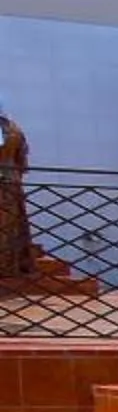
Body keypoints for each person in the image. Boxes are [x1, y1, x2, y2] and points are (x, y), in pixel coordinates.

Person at [0, 103, 31, 282]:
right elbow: (22, 161)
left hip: (4, 183)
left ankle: (5, 267)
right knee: (11, 227)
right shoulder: (14, 127)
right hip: (12, 180)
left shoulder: (4, 129)